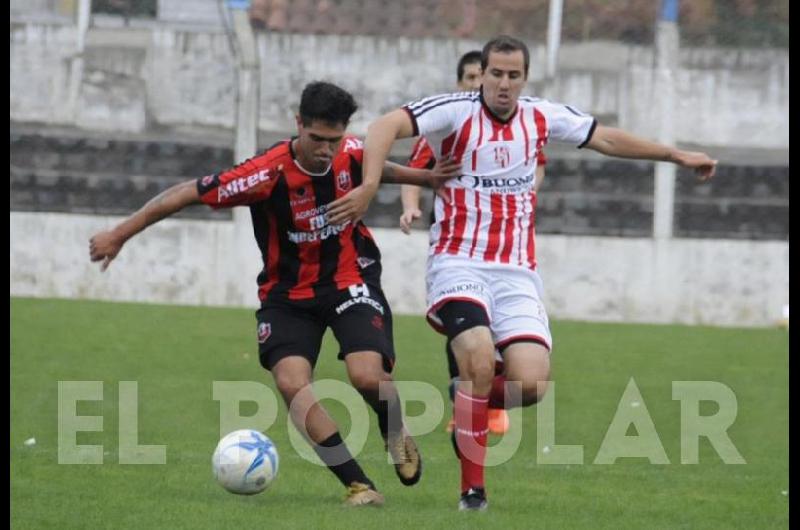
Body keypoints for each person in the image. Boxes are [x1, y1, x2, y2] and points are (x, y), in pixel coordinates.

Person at [327, 35, 717, 511]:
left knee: (532, 384)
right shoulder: (454, 111)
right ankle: (473, 493)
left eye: (514, 76)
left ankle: (466, 397)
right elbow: (384, 124)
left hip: (516, 272)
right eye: (496, 74)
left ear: (524, 78)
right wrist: (370, 185)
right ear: (483, 73)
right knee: (476, 353)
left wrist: (676, 155)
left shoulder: (540, 116)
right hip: (458, 261)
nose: (504, 84)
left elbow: (607, 137)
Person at [88, 81, 458, 507]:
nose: (325, 149)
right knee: (291, 383)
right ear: (298, 124)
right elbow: (187, 192)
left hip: (348, 278)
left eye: (333, 140)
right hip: (288, 294)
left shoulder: (351, 152)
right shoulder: (266, 173)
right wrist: (120, 233)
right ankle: (358, 484)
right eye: (316, 138)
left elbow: (377, 165)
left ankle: (394, 429)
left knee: (367, 377)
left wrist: (426, 178)